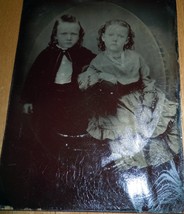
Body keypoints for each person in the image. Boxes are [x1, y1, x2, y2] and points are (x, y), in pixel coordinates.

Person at [78, 19, 180, 170]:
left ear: (127, 40)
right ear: (103, 37)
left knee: (161, 118)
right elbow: (85, 84)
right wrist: (98, 77)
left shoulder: (135, 57)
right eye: (111, 34)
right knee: (125, 128)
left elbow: (147, 82)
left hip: (140, 96)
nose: (115, 38)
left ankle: (166, 160)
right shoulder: (98, 61)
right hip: (116, 102)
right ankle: (131, 163)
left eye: (120, 36)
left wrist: (146, 105)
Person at [21, 14, 96, 153]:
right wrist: (28, 100)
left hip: (73, 94)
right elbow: (33, 77)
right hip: (50, 95)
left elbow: (99, 64)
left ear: (79, 36)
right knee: (48, 124)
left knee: (74, 122)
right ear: (55, 35)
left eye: (73, 34)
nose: (69, 38)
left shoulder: (83, 53)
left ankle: (73, 150)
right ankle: (52, 150)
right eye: (64, 34)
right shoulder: (46, 54)